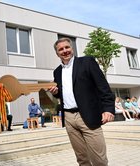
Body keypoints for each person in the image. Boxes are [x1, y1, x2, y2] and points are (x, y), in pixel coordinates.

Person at [48, 37, 115, 166]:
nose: (65, 51)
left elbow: (103, 87)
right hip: (68, 118)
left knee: (99, 160)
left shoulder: (87, 62)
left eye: (67, 47)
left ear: (72, 48)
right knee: (82, 159)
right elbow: (64, 94)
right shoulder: (57, 72)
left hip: (88, 115)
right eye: (61, 49)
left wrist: (108, 109)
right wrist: (56, 93)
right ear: (57, 53)